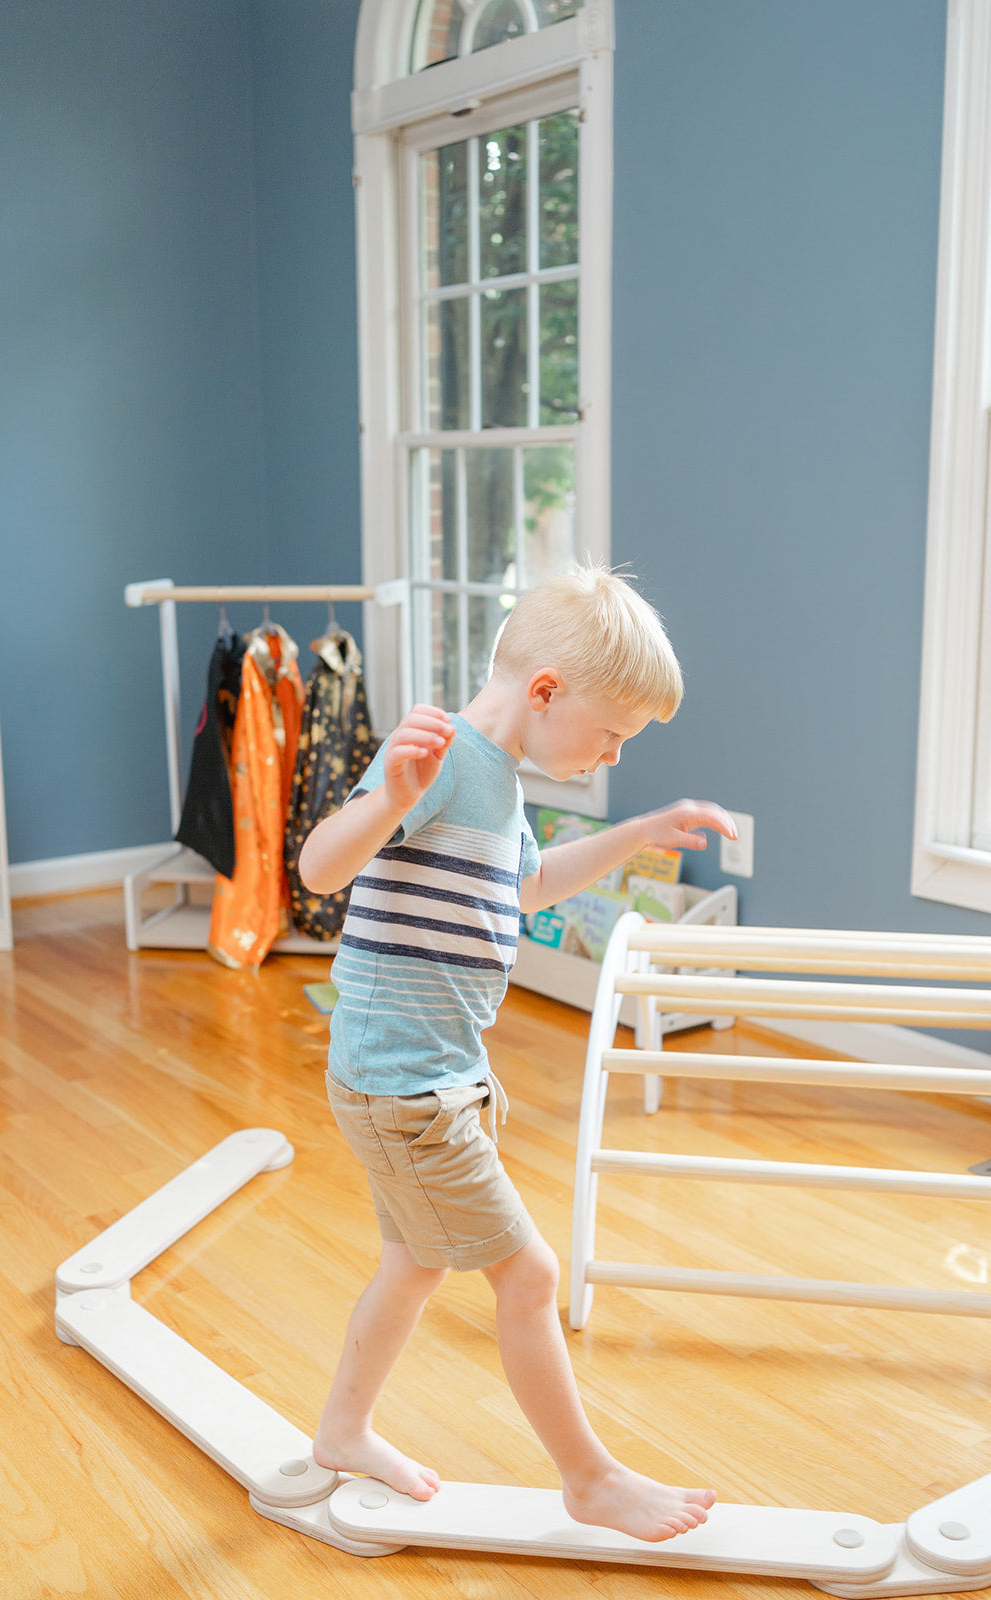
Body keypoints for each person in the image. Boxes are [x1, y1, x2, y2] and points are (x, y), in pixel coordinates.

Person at [298, 564, 736, 1544]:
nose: (608, 754)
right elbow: (320, 866)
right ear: (545, 692)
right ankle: (588, 1480)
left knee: (412, 1263)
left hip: (428, 1073)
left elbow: (528, 887)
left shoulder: (493, 782)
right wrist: (384, 798)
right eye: (610, 735)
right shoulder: (442, 756)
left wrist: (638, 832)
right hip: (403, 1083)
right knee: (529, 1274)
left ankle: (342, 1429)